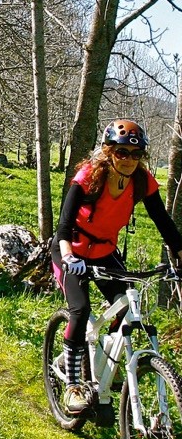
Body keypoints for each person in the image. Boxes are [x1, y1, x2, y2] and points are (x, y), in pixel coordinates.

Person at [52, 119, 182, 415]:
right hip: (71, 250)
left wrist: (179, 252)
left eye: (136, 155)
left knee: (125, 306)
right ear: (109, 151)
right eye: (122, 152)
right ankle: (73, 386)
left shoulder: (141, 181)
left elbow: (164, 222)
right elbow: (63, 227)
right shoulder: (88, 176)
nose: (128, 160)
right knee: (80, 308)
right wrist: (70, 258)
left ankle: (101, 364)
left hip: (105, 251)